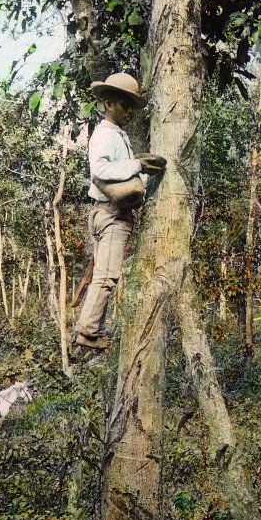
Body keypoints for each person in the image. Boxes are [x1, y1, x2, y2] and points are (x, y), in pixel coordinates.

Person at [73, 72, 165, 351]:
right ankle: (87, 331)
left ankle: (91, 329)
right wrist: (136, 165)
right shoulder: (104, 134)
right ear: (109, 103)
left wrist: (142, 170)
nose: (128, 112)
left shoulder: (116, 135)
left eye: (130, 106)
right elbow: (100, 170)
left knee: (103, 274)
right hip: (111, 213)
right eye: (124, 105)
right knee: (107, 275)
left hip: (108, 212)